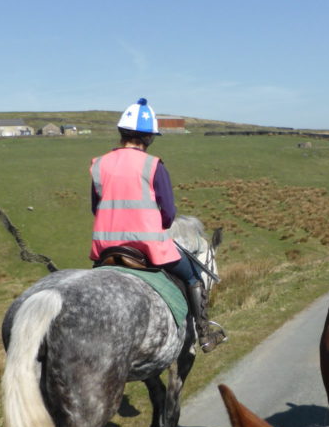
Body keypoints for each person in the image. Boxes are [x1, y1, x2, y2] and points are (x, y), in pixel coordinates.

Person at [89, 98, 227, 354]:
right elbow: (168, 214)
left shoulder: (98, 164)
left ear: (122, 133)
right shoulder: (153, 165)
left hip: (106, 249)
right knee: (193, 276)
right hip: (147, 248)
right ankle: (204, 333)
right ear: (149, 137)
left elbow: (95, 208)